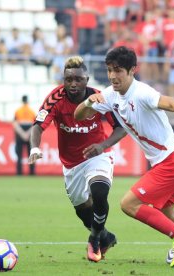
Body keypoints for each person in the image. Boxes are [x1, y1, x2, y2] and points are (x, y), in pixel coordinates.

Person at [74, 46, 174, 267]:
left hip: (171, 161)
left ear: (132, 70)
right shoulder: (109, 95)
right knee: (167, 212)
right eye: (109, 70)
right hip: (169, 161)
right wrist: (88, 102)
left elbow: (172, 102)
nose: (113, 76)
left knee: (128, 204)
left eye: (118, 70)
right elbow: (78, 115)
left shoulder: (142, 92)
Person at [28, 56, 126, 262]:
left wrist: (102, 146)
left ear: (87, 79)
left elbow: (120, 128)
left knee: (99, 192)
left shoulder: (99, 97)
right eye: (69, 79)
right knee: (84, 213)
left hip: (97, 154)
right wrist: (34, 147)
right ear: (63, 80)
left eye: (78, 79)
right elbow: (37, 126)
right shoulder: (55, 98)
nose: (73, 84)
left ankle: (94, 238)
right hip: (71, 164)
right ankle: (104, 236)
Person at [13, 95, 36, 176]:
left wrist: (22, 133)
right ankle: (32, 173)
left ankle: (19, 173)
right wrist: (27, 133)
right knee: (31, 153)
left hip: (20, 131)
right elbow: (34, 124)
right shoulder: (31, 111)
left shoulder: (18, 111)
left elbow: (15, 123)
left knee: (19, 154)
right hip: (29, 130)